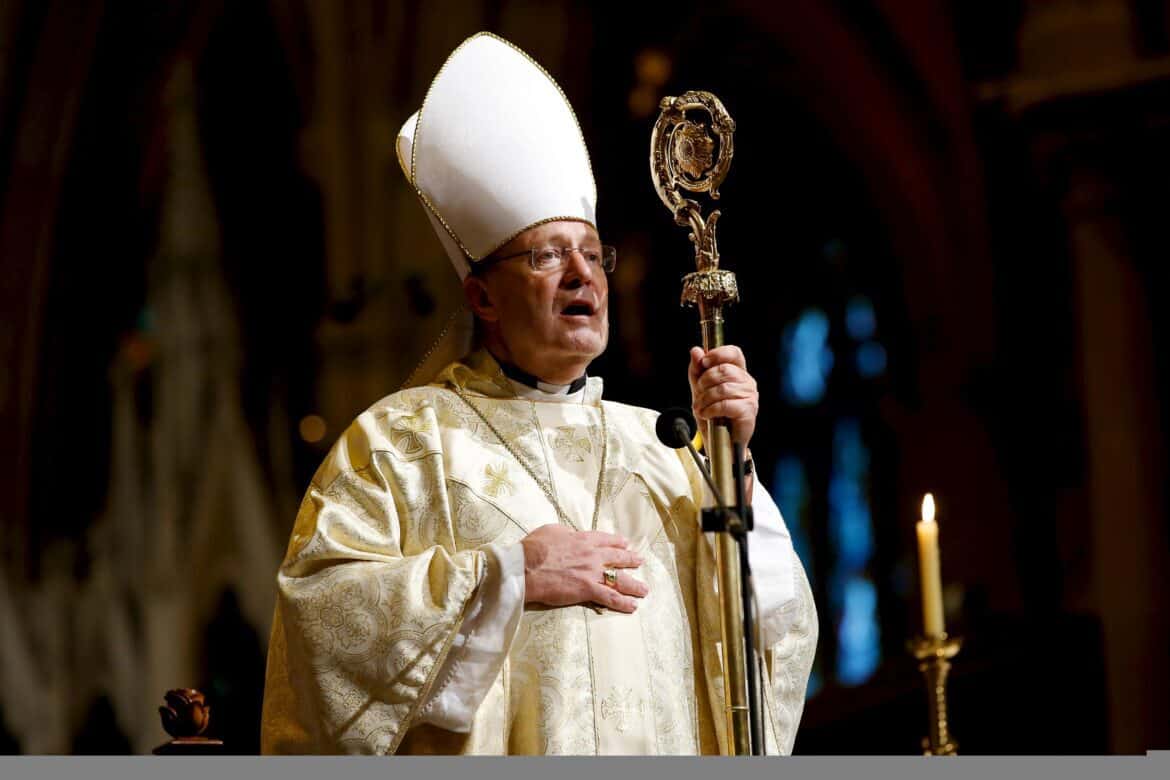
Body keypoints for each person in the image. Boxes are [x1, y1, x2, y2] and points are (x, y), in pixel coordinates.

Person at [260, 32, 817, 755]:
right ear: (483, 298)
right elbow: (322, 623)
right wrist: (509, 576)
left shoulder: (669, 450)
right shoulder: (399, 444)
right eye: (547, 255)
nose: (582, 275)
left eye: (592, 254)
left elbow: (770, 634)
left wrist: (733, 465)